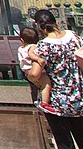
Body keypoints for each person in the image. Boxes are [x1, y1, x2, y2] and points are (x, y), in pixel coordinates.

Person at [27, 8, 83, 147]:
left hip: (58, 102)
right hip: (79, 98)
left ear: (39, 26)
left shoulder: (44, 45)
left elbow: (34, 73)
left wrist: (35, 80)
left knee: (65, 143)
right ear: (56, 22)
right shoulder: (74, 36)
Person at [18, 26, 53, 112]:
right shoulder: (33, 47)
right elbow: (31, 54)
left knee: (39, 86)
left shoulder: (20, 49)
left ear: (22, 40)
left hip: (27, 71)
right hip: (36, 70)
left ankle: (38, 99)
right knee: (47, 84)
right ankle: (44, 103)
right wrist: (38, 59)